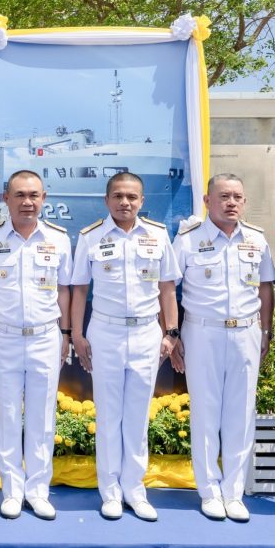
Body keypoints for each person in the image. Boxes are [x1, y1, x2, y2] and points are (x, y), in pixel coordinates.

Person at [71, 171, 182, 522]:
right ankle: (110, 491)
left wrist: (171, 333)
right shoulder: (90, 237)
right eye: (118, 196)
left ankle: (135, 488)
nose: (125, 202)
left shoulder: (157, 235)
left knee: (137, 416)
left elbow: (167, 289)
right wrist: (76, 335)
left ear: (142, 201)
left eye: (132, 197)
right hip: (105, 332)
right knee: (108, 416)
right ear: (107, 200)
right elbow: (79, 290)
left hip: (147, 333)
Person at [172, 174, 274, 522]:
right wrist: (172, 335)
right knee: (205, 413)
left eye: (237, 197)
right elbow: (168, 287)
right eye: (224, 197)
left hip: (246, 332)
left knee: (241, 413)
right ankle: (209, 491)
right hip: (202, 333)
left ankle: (233, 492)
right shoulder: (188, 240)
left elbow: (266, 288)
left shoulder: (256, 239)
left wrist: (266, 331)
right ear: (207, 201)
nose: (231, 203)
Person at [0, 170, 72, 520]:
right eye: (19, 195)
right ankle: (12, 490)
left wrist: (66, 333)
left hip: (45, 336)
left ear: (44, 198)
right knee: (5, 415)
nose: (27, 202)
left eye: (34, 195)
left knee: (42, 416)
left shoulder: (59, 239)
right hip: (3, 337)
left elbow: (65, 290)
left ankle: (37, 490)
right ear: (6, 199)